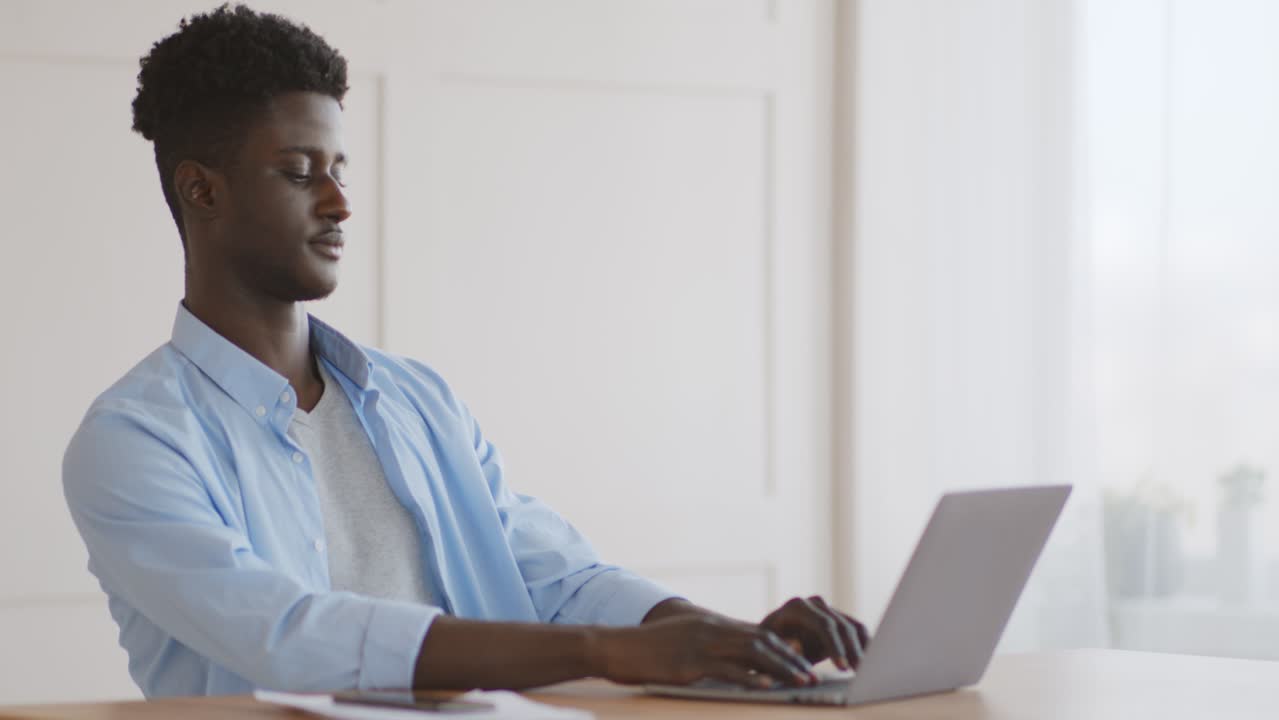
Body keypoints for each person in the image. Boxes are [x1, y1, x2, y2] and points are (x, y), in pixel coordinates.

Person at [63, 3, 868, 698]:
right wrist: (607, 653)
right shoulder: (134, 439)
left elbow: (556, 578)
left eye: (340, 167)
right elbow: (284, 634)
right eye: (301, 172)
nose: (341, 201)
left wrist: (718, 636)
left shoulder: (416, 398)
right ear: (202, 190)